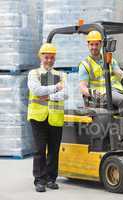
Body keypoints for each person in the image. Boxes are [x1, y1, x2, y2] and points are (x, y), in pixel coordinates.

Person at [27, 43, 67, 192]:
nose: (49, 60)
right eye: (46, 57)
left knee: (53, 150)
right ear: (41, 57)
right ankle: (39, 180)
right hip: (38, 117)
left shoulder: (62, 75)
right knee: (39, 149)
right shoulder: (34, 74)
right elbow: (36, 90)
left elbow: (65, 94)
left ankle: (51, 179)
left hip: (55, 117)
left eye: (52, 57)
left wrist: (46, 95)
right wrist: (56, 88)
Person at [78, 30, 123, 116]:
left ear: (101, 44)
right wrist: (91, 92)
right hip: (101, 94)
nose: (94, 47)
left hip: (116, 90)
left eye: (96, 44)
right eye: (91, 44)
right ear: (88, 45)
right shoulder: (85, 64)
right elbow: (82, 87)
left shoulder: (109, 59)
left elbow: (120, 74)